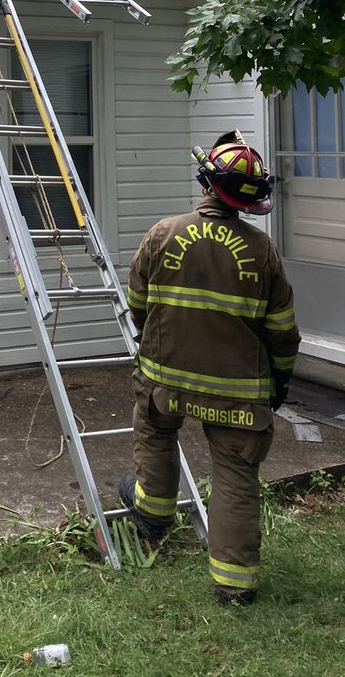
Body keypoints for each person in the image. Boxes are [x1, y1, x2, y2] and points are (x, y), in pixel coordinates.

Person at [119, 130, 300, 606]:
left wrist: (156, 343)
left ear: (205, 186)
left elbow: (137, 304)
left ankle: (152, 512)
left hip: (167, 378)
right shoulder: (261, 251)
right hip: (237, 393)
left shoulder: (163, 233)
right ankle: (234, 586)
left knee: (156, 431)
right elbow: (282, 330)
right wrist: (279, 379)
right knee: (235, 474)